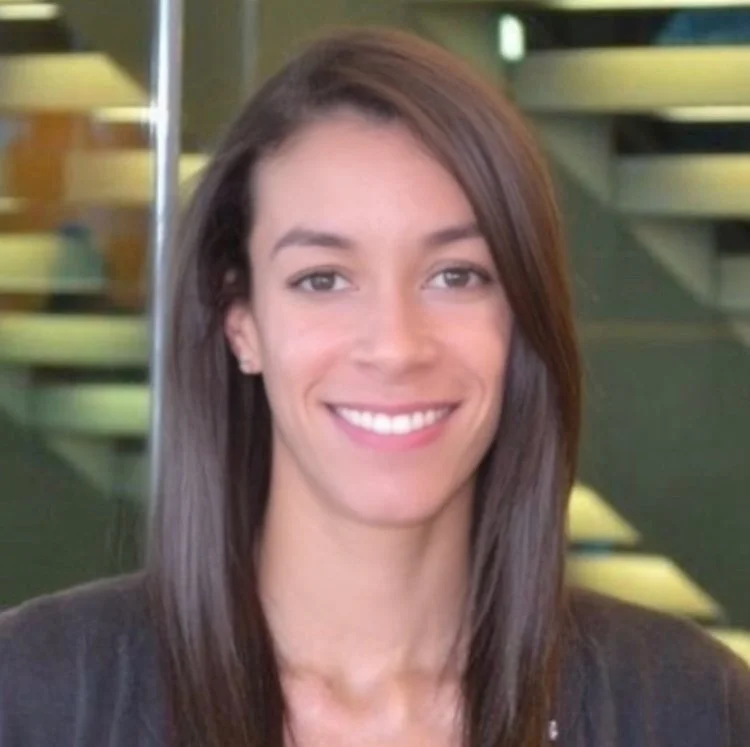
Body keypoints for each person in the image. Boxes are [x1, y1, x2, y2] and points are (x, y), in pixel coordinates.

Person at [0, 26, 748, 747]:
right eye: (323, 279)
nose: (395, 346)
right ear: (241, 320)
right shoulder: (35, 695)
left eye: (456, 276)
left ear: (521, 313)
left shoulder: (687, 709)